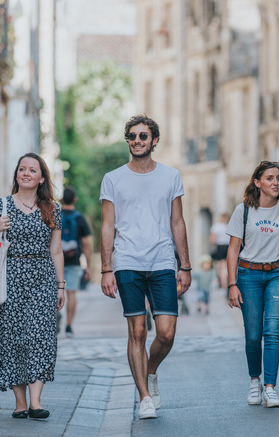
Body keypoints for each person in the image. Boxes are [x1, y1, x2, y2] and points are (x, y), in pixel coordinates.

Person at [100, 114, 191, 420]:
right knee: (137, 330)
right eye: (132, 136)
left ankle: (150, 370)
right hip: (127, 261)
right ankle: (144, 397)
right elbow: (107, 225)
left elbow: (177, 222)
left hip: (163, 260)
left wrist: (186, 264)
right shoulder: (113, 179)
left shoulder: (170, 176)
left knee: (166, 333)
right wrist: (106, 268)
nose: (136, 141)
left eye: (142, 136)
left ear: (154, 141)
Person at [0, 153, 65, 420]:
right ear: (17, 174)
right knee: (12, 337)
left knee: (40, 335)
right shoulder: (0, 205)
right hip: (9, 277)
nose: (26, 173)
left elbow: (57, 250)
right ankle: (20, 402)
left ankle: (36, 401)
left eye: (32, 170)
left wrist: (60, 286)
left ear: (41, 178)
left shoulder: (52, 208)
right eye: (22, 169)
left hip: (42, 277)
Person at [226, 161, 279, 408]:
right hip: (248, 275)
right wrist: (232, 284)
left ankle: (270, 388)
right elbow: (233, 250)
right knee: (253, 335)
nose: (276, 183)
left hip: (278, 274)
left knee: (272, 332)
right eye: (270, 178)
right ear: (257, 183)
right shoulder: (242, 211)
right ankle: (255, 381)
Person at [60, 186, 92, 337]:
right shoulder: (79, 218)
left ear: (61, 200)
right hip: (74, 261)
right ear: (75, 199)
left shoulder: (55, 216)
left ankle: (54, 317)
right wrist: (89, 266)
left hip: (56, 261)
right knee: (71, 294)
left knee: (54, 293)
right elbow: (86, 244)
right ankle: (68, 325)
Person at [210, 212, 230, 289]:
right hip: (230, 246)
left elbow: (212, 240)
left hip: (220, 246)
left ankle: (224, 285)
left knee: (222, 266)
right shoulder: (230, 225)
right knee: (230, 265)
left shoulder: (216, 226)